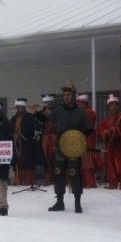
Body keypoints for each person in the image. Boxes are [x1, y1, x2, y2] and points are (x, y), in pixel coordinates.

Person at [33, 81, 94, 213]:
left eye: (69, 94)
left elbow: (89, 128)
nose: (66, 96)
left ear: (73, 96)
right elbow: (46, 119)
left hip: (74, 148)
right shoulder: (59, 111)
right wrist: (37, 112)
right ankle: (59, 202)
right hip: (60, 146)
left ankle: (78, 203)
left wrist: (79, 140)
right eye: (65, 94)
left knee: (74, 173)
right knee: (58, 173)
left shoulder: (81, 112)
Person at [98, 94, 121, 190]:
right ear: (108, 107)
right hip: (109, 146)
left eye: (115, 104)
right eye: (111, 105)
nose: (113, 106)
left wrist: (115, 129)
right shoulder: (105, 120)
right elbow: (101, 130)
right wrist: (106, 132)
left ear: (118, 105)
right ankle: (113, 183)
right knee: (110, 164)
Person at [9, 97, 36, 186]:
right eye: (17, 107)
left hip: (26, 143)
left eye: (20, 107)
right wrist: (14, 135)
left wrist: (20, 135)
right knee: (17, 162)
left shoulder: (29, 117)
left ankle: (29, 181)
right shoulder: (13, 118)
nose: (18, 109)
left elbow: (30, 129)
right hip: (16, 143)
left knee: (28, 162)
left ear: (24, 107)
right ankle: (18, 180)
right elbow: (10, 130)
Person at [76, 93, 99, 188]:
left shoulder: (90, 112)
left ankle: (91, 182)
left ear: (85, 103)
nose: (78, 105)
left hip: (87, 139)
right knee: (81, 162)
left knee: (88, 161)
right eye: (77, 104)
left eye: (80, 104)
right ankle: (84, 182)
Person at [40, 94, 57, 186]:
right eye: (46, 103)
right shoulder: (41, 114)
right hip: (45, 138)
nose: (47, 105)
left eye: (49, 103)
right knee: (46, 159)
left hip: (55, 137)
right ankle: (48, 179)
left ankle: (58, 179)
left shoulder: (57, 112)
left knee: (57, 158)